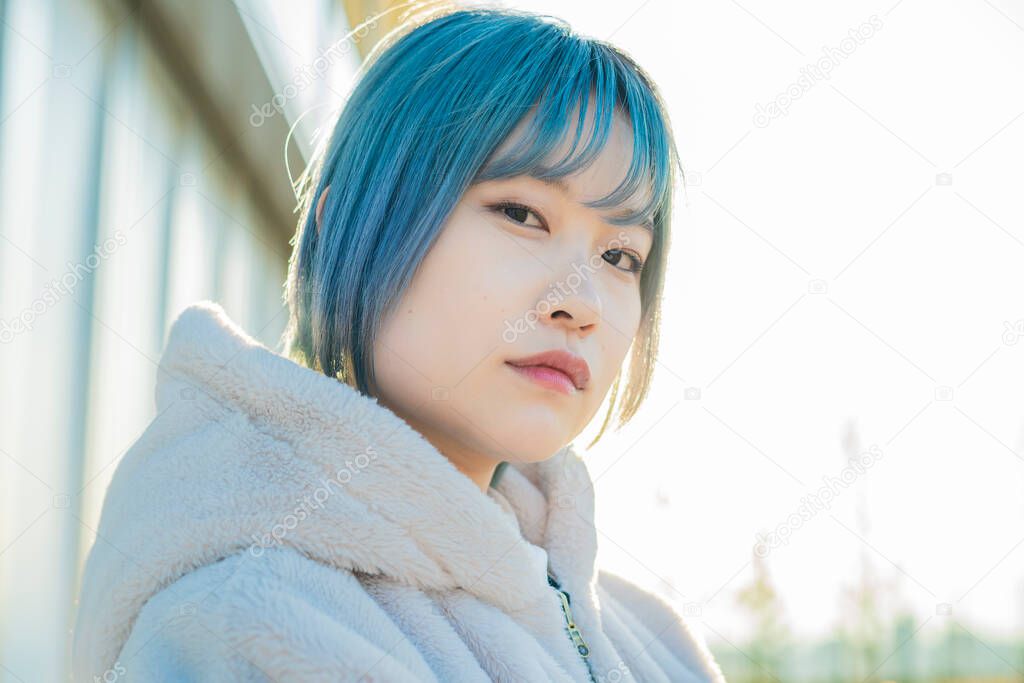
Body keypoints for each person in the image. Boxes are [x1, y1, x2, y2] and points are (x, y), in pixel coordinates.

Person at [71, 5, 726, 682]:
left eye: (621, 255)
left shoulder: (654, 636)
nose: (582, 302)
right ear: (348, 224)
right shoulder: (250, 626)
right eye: (523, 214)